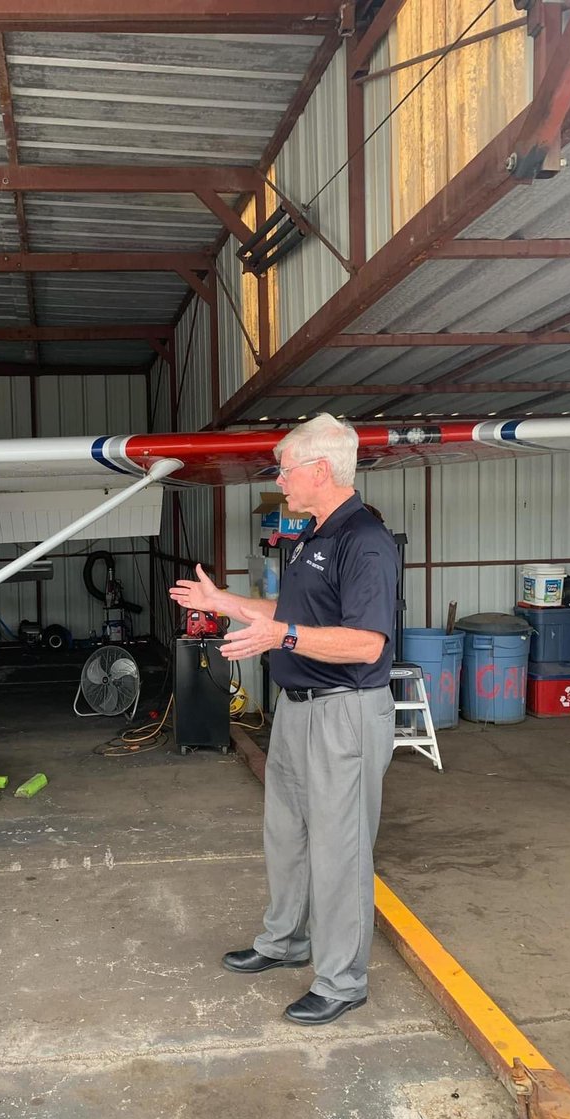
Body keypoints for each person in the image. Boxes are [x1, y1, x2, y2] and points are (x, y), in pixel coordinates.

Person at [169, 414, 399, 1026]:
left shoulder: (363, 541)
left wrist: (283, 635)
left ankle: (343, 979)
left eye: (285, 468)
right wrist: (228, 605)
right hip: (298, 712)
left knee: (340, 848)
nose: (279, 478)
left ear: (321, 470)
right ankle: (287, 941)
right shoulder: (310, 537)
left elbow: (366, 644)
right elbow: (286, 613)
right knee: (287, 835)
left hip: (344, 714)